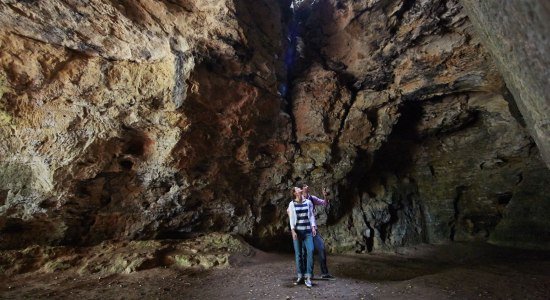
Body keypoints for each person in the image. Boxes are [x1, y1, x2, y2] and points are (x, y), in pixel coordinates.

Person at [300, 183, 335, 279]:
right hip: (302, 229)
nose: (307, 187)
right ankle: (304, 274)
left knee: (321, 248)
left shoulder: (312, 198)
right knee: (304, 252)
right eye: (305, 186)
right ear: (301, 189)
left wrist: (325, 196)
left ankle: (325, 273)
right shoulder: (298, 200)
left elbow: (325, 203)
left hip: (313, 228)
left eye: (307, 185)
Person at [288, 187, 316, 288]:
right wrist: (293, 231)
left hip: (308, 232)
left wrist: (313, 227)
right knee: (298, 254)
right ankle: (300, 276)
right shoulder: (292, 204)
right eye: (297, 189)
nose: (300, 189)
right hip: (297, 232)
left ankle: (308, 277)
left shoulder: (308, 202)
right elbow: (291, 218)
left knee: (311, 250)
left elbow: (311, 215)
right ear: (295, 193)